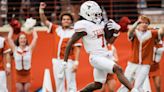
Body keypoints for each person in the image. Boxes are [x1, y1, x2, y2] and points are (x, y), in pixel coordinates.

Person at [63, 1, 138, 92]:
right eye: (95, 14)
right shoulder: (83, 25)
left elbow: (109, 42)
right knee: (118, 69)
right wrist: (65, 61)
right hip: (95, 57)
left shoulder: (100, 24)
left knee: (97, 85)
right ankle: (134, 90)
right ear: (86, 13)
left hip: (104, 55)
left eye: (99, 14)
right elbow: (70, 43)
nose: (98, 16)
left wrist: (116, 31)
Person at [39, 2, 82, 92]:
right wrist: (41, 10)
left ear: (71, 21)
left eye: (68, 19)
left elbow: (77, 48)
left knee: (71, 84)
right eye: (64, 19)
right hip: (57, 61)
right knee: (59, 84)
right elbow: (45, 21)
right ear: (61, 21)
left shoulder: (74, 32)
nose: (66, 21)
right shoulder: (56, 29)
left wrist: (76, 62)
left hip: (70, 61)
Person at [117, 15, 164, 92]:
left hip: (145, 65)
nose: (144, 24)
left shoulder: (152, 33)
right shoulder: (135, 33)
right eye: (142, 22)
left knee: (138, 87)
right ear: (138, 24)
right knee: (124, 86)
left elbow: (161, 32)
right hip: (133, 63)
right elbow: (130, 33)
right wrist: (136, 23)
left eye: (146, 23)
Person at [7, 19, 38, 92]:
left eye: (24, 38)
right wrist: (12, 27)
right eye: (21, 38)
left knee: (26, 89)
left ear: (26, 40)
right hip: (18, 74)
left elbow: (35, 37)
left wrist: (32, 27)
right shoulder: (15, 49)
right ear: (18, 40)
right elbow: (9, 38)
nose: (23, 40)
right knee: (20, 89)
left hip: (27, 73)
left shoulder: (29, 49)